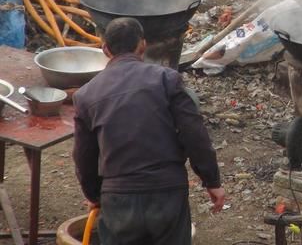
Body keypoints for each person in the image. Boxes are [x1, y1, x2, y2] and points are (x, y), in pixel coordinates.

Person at [72, 17, 225, 245]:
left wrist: (95, 195)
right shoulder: (167, 79)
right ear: (142, 45)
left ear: (105, 49)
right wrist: (211, 181)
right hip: (167, 193)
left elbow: (83, 155)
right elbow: (194, 133)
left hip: (118, 197)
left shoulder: (85, 95)